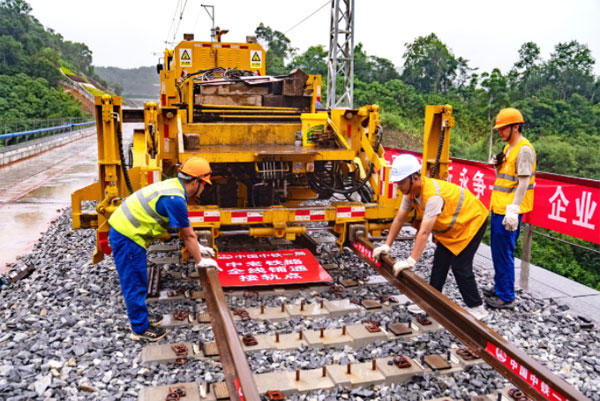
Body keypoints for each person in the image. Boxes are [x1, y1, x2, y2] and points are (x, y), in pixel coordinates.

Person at [108, 157, 219, 341]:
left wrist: (197, 246)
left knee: (139, 278)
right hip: (127, 235)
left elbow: (186, 230)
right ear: (197, 182)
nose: (205, 188)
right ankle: (140, 329)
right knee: (135, 281)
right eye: (205, 184)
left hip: (125, 230)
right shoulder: (175, 198)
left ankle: (141, 318)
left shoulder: (173, 186)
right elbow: (187, 235)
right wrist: (200, 260)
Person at [373, 154, 489, 320]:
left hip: (472, 221)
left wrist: (411, 260)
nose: (398, 186)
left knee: (460, 266)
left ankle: (477, 308)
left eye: (401, 182)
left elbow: (424, 232)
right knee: (440, 264)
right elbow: (399, 218)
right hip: (452, 228)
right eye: (397, 182)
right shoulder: (410, 193)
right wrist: (387, 245)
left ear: (415, 177)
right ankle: (431, 302)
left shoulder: (433, 196)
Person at [486, 108, 536, 309]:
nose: (500, 132)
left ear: (515, 127)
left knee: (504, 251)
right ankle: (500, 286)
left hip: (508, 212)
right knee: (498, 250)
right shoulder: (508, 149)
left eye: (503, 128)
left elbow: (523, 183)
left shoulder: (524, 150)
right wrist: (497, 166)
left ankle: (506, 296)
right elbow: (504, 178)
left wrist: (514, 209)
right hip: (499, 207)